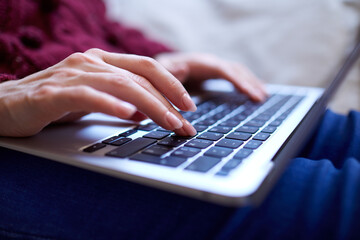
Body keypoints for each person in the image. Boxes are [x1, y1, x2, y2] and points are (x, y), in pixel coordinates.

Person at [0, 0, 359, 239]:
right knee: (335, 202)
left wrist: (163, 63)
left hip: (92, 108)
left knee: (346, 135)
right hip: (13, 144)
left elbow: (93, 22)